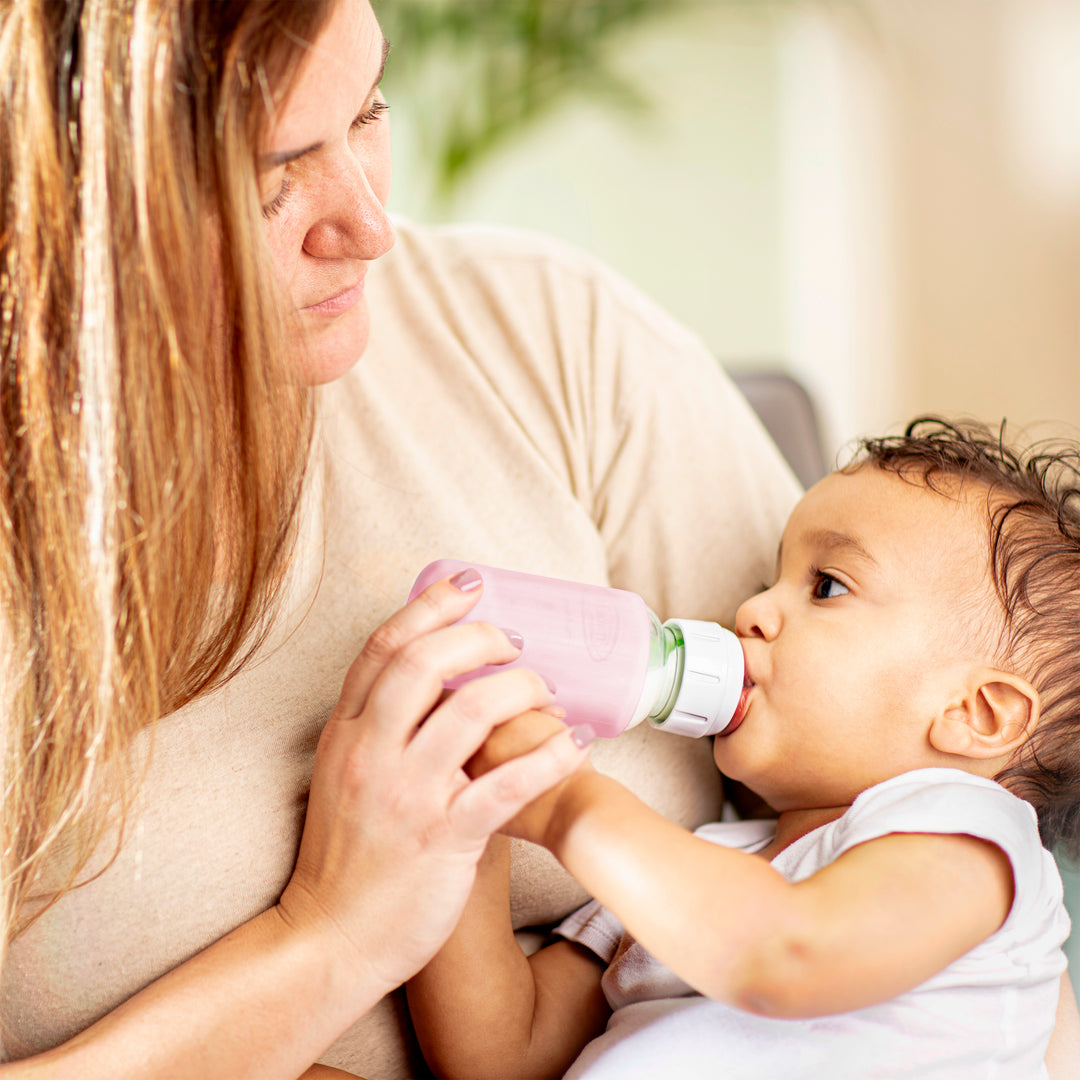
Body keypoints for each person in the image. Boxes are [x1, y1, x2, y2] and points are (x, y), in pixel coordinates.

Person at [0, 1, 802, 1076]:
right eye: (273, 176)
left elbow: (950, 819)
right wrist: (331, 935)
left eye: (368, 110)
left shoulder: (552, 340)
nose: (371, 225)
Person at [407, 418, 1080, 1079]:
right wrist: (470, 810)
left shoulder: (970, 839)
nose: (749, 612)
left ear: (977, 714)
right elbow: (501, 1056)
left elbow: (789, 952)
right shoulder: (695, 862)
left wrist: (564, 803)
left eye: (827, 586)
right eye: (769, 581)